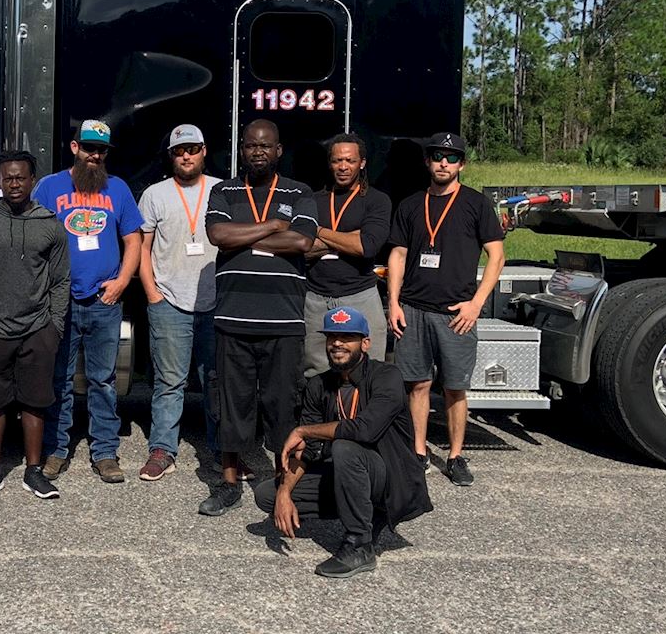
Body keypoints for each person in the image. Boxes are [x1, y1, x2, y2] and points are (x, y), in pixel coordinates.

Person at [262, 306, 434, 579]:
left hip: (391, 477)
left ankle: (360, 544)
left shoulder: (387, 377)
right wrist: (284, 493)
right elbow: (308, 450)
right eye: (332, 337)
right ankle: (358, 512)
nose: (338, 344)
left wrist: (305, 430)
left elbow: (364, 430)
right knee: (268, 495)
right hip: (349, 472)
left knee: (345, 447)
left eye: (347, 337)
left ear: (365, 343)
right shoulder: (318, 385)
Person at [201, 119, 315, 516]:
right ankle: (229, 483)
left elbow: (302, 240)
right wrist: (270, 226)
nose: (258, 152)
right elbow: (217, 235)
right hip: (233, 318)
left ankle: (286, 485)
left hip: (283, 322)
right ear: (242, 150)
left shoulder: (299, 192)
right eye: (251, 146)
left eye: (266, 146)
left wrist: (243, 234)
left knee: (283, 405)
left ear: (279, 150)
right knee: (231, 405)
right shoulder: (224, 190)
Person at [385, 131, 506, 487]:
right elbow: (398, 254)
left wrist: (476, 304)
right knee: (418, 385)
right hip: (414, 309)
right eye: (437, 156)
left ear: (462, 164)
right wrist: (394, 302)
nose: (443, 163)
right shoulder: (410, 204)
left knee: (454, 388)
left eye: (451, 158)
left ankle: (455, 456)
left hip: (457, 314)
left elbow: (496, 256)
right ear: (427, 162)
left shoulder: (476, 205)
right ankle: (419, 452)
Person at [32, 120, 143, 484]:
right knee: (58, 378)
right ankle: (56, 449)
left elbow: (133, 240)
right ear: (74, 147)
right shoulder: (49, 188)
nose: (95, 156)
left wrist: (123, 281)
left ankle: (105, 451)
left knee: (103, 379)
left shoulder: (118, 189)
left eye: (102, 150)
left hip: (104, 299)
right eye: (89, 147)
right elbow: (33, 242)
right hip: (60, 300)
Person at [0, 151, 70, 501]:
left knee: (35, 402)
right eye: (8, 178)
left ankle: (34, 472)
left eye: (21, 177)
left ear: (32, 180)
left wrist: (54, 327)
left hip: (38, 328)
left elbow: (61, 280)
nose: (15, 183)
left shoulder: (50, 224)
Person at [136, 124, 220, 481]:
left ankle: (224, 453)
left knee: (218, 381)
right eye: (179, 150)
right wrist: (153, 294)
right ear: (170, 156)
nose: (186, 156)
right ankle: (162, 450)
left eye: (193, 149)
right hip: (170, 300)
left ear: (204, 151)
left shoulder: (222, 190)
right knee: (170, 382)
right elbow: (141, 247)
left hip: (216, 302)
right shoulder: (155, 194)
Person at [304, 134, 391, 375]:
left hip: (360, 295)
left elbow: (367, 246)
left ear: (362, 163)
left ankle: (363, 415)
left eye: (350, 161)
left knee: (368, 370)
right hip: (316, 298)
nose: (343, 167)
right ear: (330, 163)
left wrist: (320, 232)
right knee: (316, 372)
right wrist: (346, 238)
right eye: (337, 161)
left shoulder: (377, 200)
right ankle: (322, 415)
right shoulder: (312, 200)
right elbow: (301, 248)